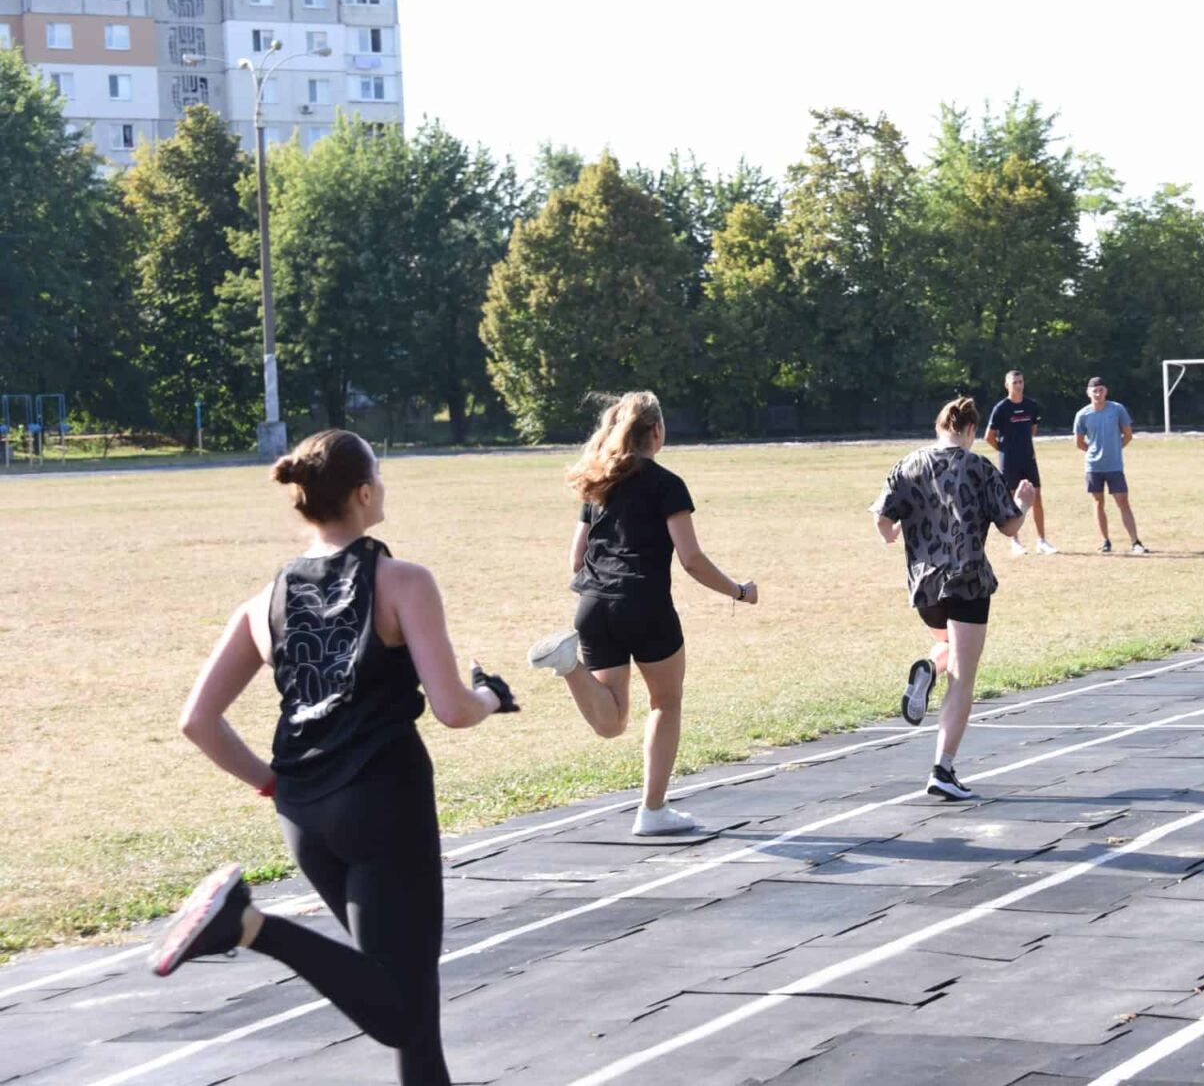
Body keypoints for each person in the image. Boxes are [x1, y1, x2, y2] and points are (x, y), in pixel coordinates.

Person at [153, 429, 518, 1086]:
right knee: (403, 1011)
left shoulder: (263, 601)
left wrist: (273, 785)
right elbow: (452, 708)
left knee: (411, 1003)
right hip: (384, 800)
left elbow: (197, 720)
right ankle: (249, 925)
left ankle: (249, 923)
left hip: (304, 813)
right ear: (363, 492)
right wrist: (492, 694)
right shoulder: (403, 580)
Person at [526, 391, 757, 837]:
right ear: (656, 431)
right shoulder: (667, 484)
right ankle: (652, 811)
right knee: (665, 703)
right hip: (645, 605)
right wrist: (739, 591)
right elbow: (691, 559)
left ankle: (569, 664)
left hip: (592, 606)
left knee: (611, 722)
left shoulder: (598, 484)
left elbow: (576, 558)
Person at [872, 396, 1029, 801]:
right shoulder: (978, 467)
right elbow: (1010, 525)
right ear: (972, 431)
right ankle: (943, 768)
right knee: (963, 677)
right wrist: (1024, 505)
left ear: (938, 425)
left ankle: (927, 667)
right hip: (968, 579)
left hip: (924, 584)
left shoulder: (909, 464)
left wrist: (889, 533)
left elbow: (882, 517)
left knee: (946, 645)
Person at [1074, 376, 1148, 555]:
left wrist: (1115, 448)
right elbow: (1079, 442)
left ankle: (1135, 541)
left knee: (1123, 501)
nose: (1098, 393)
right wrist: (1094, 453)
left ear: (1105, 391)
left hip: (1114, 465)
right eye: (1094, 390)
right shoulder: (1083, 415)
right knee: (1098, 502)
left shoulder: (1117, 410)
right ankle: (1105, 541)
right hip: (1093, 467)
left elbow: (1128, 435)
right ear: (1088, 392)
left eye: (1101, 390)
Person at [986, 368, 1056, 555]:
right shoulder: (1001, 408)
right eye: (1014, 382)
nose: (1018, 385)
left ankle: (1042, 541)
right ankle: (1015, 542)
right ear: (1007, 385)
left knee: (1037, 497)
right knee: (1013, 501)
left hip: (1028, 459)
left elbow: (1033, 429)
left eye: (1021, 382)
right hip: (1009, 462)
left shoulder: (1032, 406)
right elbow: (989, 436)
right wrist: (1004, 451)